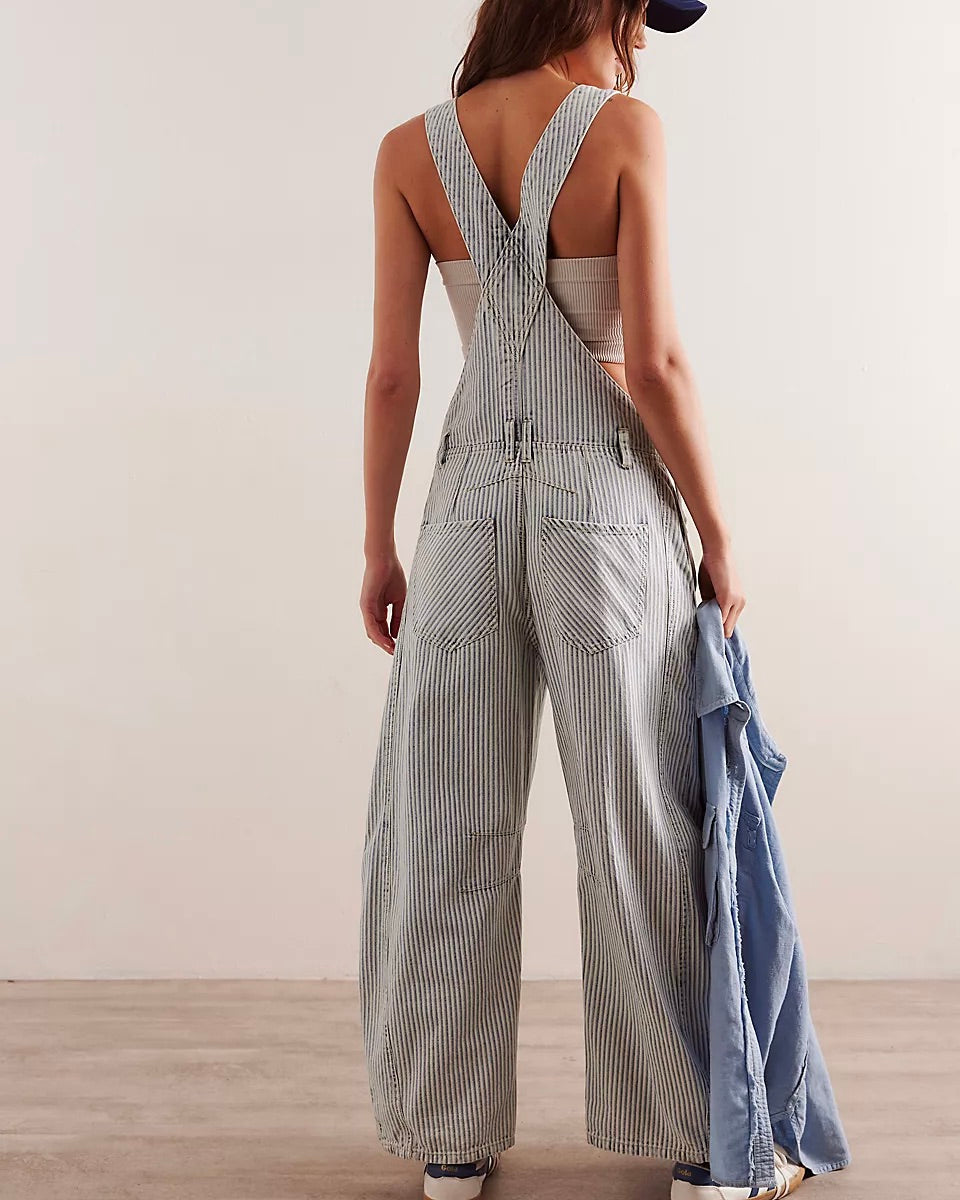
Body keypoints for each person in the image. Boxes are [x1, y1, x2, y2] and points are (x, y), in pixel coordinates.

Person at [357, 2, 802, 1197]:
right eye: (638, 14)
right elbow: (653, 364)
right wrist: (718, 535)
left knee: (449, 820)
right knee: (640, 828)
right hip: (602, 516)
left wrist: (377, 546)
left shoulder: (412, 147)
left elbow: (396, 369)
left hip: (456, 520)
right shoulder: (626, 131)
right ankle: (703, 1153)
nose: (640, 38)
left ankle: (449, 1148)